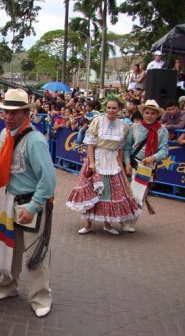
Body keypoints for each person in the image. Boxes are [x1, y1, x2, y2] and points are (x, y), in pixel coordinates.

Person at [0, 89, 56, 318]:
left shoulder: (35, 140)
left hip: (30, 202)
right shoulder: (4, 136)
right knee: (9, 246)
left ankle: (40, 296)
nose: (8, 117)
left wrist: (34, 206)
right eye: (6, 112)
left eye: (14, 112)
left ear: (26, 113)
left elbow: (48, 179)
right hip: (11, 199)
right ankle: (8, 286)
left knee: (35, 251)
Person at [68, 97, 140, 234]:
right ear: (105, 108)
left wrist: (120, 163)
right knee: (92, 192)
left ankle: (107, 224)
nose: (111, 110)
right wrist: (92, 163)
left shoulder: (123, 125)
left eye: (114, 108)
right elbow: (90, 144)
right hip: (97, 158)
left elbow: (120, 147)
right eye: (108, 108)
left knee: (110, 193)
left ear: (119, 109)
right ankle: (87, 224)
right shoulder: (98, 121)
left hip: (112, 160)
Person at [123, 99, 170, 231]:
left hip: (148, 167)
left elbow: (164, 150)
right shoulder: (135, 128)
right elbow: (127, 147)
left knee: (140, 195)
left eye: (152, 113)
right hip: (133, 164)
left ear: (157, 115)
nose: (149, 115)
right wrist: (127, 163)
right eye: (147, 112)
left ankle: (130, 222)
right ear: (143, 113)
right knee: (127, 194)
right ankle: (122, 218)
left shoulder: (162, 131)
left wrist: (153, 157)